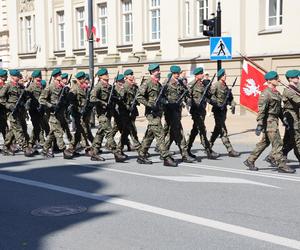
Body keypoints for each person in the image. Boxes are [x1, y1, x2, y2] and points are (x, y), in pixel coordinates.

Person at [243, 71, 295, 173]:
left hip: (274, 120)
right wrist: (260, 123)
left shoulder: (276, 93)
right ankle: (281, 164)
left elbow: (279, 109)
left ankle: (250, 160)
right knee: (278, 143)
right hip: (269, 121)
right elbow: (261, 110)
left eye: (277, 78)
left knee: (264, 143)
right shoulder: (266, 93)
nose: (278, 80)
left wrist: (283, 119)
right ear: (269, 81)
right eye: (276, 78)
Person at [136, 63, 177, 167]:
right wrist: (149, 104)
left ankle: (141, 155)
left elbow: (161, 97)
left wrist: (167, 102)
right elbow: (139, 96)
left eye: (159, 70)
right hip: (151, 113)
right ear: (152, 72)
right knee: (160, 134)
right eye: (156, 70)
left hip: (158, 112)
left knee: (149, 135)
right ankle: (165, 157)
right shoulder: (147, 83)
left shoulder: (158, 84)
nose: (159, 72)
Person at [187, 67, 219, 159]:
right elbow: (188, 99)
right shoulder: (191, 85)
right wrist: (194, 103)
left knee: (195, 130)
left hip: (202, 111)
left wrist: (214, 102)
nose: (202, 75)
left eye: (202, 73)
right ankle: (208, 150)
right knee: (202, 129)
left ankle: (187, 149)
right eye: (201, 74)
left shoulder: (203, 84)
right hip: (195, 111)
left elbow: (207, 96)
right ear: (197, 75)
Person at [209, 68, 240, 157]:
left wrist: (233, 104)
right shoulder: (216, 85)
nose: (225, 76)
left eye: (225, 74)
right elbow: (209, 97)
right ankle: (230, 150)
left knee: (217, 129)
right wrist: (217, 103)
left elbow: (230, 98)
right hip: (217, 111)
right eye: (224, 75)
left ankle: (208, 146)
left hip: (224, 111)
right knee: (223, 130)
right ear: (220, 76)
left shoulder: (225, 86)